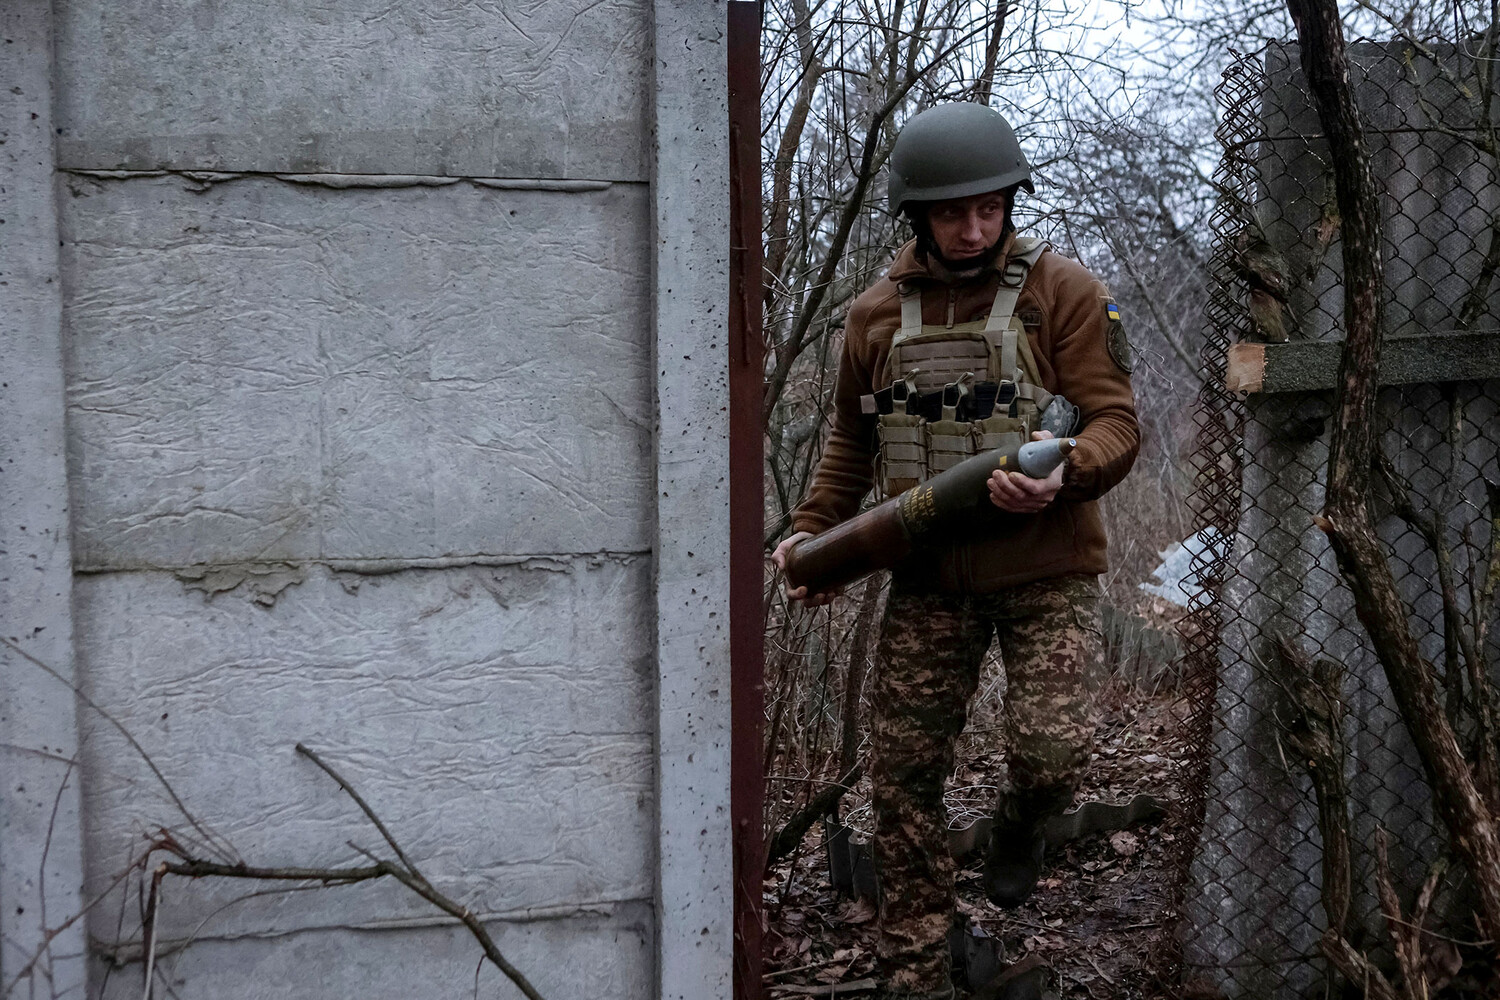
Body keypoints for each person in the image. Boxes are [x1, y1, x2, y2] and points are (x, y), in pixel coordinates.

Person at [772, 103, 1139, 1000]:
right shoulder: (870, 317)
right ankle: (915, 975)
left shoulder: (1066, 292)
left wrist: (1068, 474)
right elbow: (851, 451)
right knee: (901, 783)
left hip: (1045, 570)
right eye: (950, 213)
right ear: (917, 217)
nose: (972, 229)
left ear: (1010, 203)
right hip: (929, 576)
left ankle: (1021, 827)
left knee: (1051, 752)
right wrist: (815, 536)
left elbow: (1116, 423)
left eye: (988, 208)